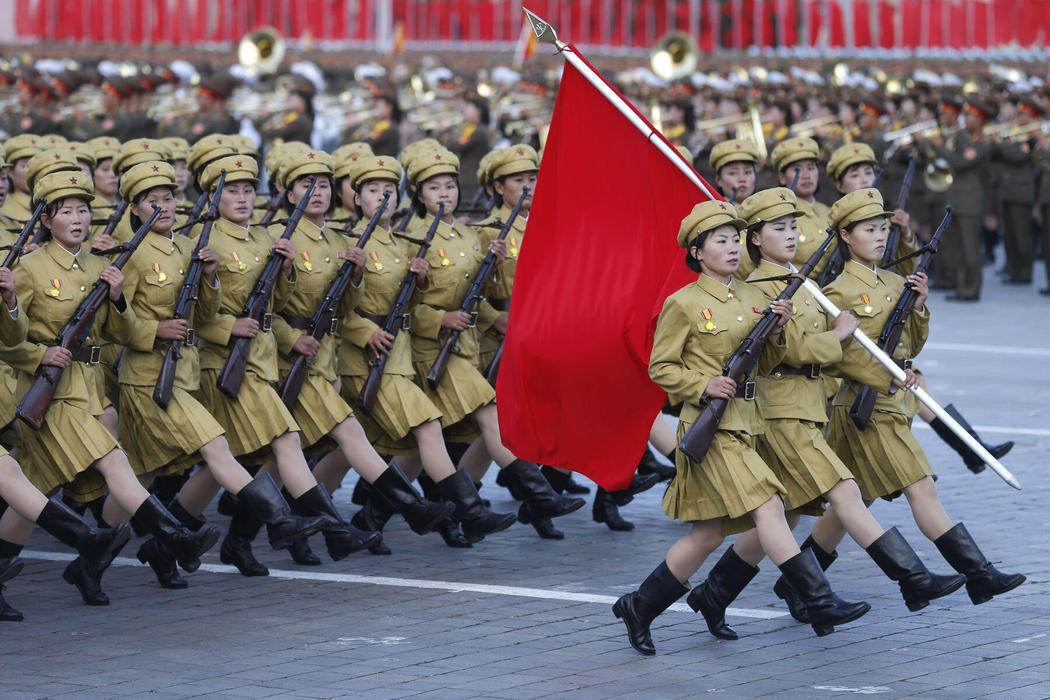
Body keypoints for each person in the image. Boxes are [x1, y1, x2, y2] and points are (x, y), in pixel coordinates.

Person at [683, 188, 964, 641]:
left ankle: (715, 593)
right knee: (846, 493)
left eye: (794, 226)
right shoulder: (759, 289)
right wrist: (838, 337)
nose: (792, 235)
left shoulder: (802, 282)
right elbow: (793, 349)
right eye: (779, 229)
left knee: (786, 517)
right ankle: (911, 578)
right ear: (754, 239)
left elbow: (843, 351)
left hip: (808, 406)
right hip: (780, 411)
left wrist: (891, 369)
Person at [613, 200, 870, 656]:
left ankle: (640, 605)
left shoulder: (755, 297)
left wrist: (775, 334)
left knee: (707, 535)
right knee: (770, 506)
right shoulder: (684, 303)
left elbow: (770, 362)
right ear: (697, 252)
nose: (732, 248)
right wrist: (702, 383)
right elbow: (661, 367)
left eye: (736, 239)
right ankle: (817, 598)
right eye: (721, 241)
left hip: (748, 424)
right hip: (710, 428)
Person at [772, 188, 1025, 622]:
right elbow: (841, 356)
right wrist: (883, 374)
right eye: (868, 229)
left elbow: (911, 344)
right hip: (864, 408)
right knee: (920, 485)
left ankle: (795, 582)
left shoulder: (894, 280)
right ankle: (978, 573)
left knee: (851, 506)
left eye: (883, 228)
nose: (879, 236)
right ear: (846, 236)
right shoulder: (836, 291)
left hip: (890, 400)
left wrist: (920, 310)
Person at [0, 171, 220, 605]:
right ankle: (174, 538)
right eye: (66, 212)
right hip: (49, 392)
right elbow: (9, 340)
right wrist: (31, 345)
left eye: (83, 210)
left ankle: (85, 564)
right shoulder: (28, 268)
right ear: (46, 220)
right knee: (114, 460)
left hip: (89, 387)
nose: (79, 218)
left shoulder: (99, 265)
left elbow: (118, 332)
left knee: (35, 491)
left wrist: (118, 299)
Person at [403, 147, 585, 534]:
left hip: (466, 345)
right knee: (488, 414)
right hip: (432, 347)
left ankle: (441, 511)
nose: (445, 194)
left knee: (460, 436)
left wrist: (494, 266)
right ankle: (538, 495)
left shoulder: (470, 236)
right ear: (419, 195)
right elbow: (401, 307)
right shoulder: (413, 239)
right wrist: (439, 317)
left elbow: (479, 293)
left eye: (450, 186)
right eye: (434, 188)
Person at [921, 99, 993, 301]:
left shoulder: (982, 144)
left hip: (970, 202)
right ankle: (961, 287)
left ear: (980, 121)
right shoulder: (962, 138)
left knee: (970, 250)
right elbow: (934, 146)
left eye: (970, 116)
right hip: (956, 200)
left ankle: (972, 289)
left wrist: (941, 146)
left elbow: (960, 163)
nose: (966, 119)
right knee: (958, 248)